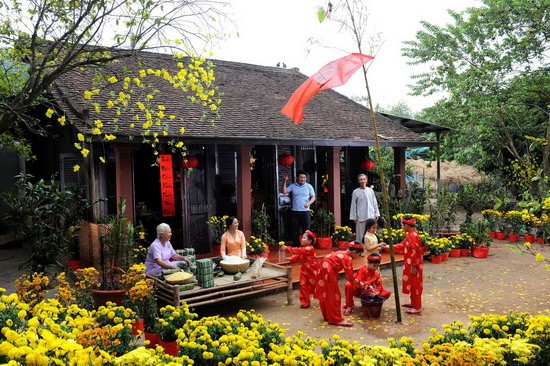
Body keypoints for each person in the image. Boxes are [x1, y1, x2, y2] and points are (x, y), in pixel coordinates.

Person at [314, 242, 364, 327]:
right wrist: (359, 282)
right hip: (328, 271)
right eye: (359, 255)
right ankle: (335, 319)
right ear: (354, 252)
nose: (358, 257)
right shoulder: (348, 258)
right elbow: (349, 276)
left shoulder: (341, 252)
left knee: (325, 293)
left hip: (322, 267)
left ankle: (327, 316)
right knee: (334, 296)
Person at [393, 215, 424, 315]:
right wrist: (388, 246)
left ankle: (417, 307)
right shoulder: (411, 234)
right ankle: (413, 303)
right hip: (410, 263)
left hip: (414, 264)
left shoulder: (413, 236)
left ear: (406, 225)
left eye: (402, 225)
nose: (402, 227)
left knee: (415, 285)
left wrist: (414, 266)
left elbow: (415, 252)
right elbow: (402, 245)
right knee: (412, 284)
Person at [281, 230, 319, 309]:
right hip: (305, 270)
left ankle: (325, 298)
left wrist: (286, 248)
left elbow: (298, 251)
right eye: (302, 237)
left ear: (310, 241)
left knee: (316, 285)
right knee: (303, 286)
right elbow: (299, 255)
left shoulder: (309, 248)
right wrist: (291, 259)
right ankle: (305, 303)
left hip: (312, 271)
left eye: (304, 238)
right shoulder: (304, 248)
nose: (302, 239)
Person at [282, 170, 316, 247]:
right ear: (297, 178)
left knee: (306, 230)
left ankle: (307, 245)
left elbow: (313, 197)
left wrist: (309, 203)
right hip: (295, 212)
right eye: (301, 177)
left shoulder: (309, 186)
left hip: (305, 212)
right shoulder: (293, 186)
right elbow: (284, 191)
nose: (303, 179)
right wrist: (284, 181)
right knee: (295, 230)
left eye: (304, 177)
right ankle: (296, 245)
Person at [349, 173, 380, 243]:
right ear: (358, 181)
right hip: (360, 216)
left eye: (364, 179)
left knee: (372, 233)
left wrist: (377, 213)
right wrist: (354, 217)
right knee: (360, 235)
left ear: (366, 180)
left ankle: (372, 248)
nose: (362, 181)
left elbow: (374, 203)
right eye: (361, 180)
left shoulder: (370, 191)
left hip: (371, 215)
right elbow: (353, 205)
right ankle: (359, 250)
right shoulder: (355, 192)